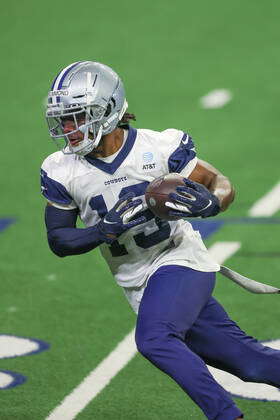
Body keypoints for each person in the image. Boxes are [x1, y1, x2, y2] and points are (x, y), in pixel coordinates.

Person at [41, 61, 280, 420]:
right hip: (137, 281)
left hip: (179, 260)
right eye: (64, 118)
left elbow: (219, 181)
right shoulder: (60, 169)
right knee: (252, 365)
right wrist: (103, 230)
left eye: (78, 116)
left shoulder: (158, 147)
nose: (68, 128)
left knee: (153, 340)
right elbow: (59, 240)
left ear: (106, 111)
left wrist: (213, 201)